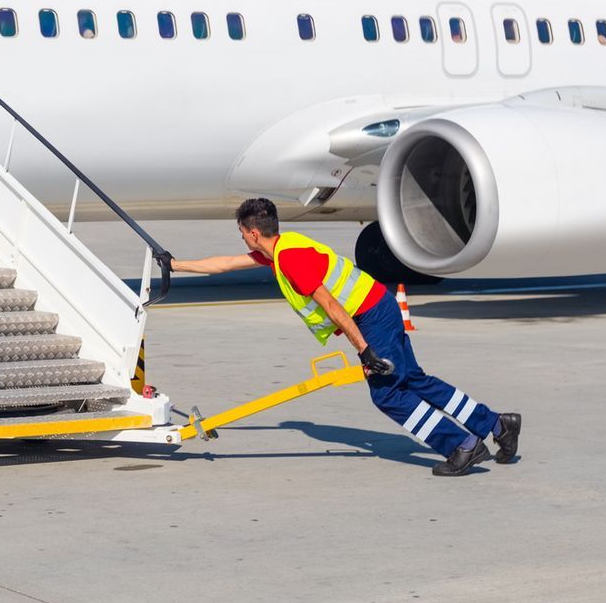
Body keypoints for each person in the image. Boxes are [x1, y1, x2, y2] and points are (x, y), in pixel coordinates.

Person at [168, 197, 521, 476]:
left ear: (254, 232)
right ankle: (495, 424)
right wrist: (175, 264)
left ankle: (461, 444)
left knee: (388, 395)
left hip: (371, 316)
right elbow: (227, 263)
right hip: (377, 305)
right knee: (414, 379)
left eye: (242, 233)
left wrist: (365, 351)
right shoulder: (279, 250)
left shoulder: (290, 261)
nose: (242, 239)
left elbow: (333, 306)